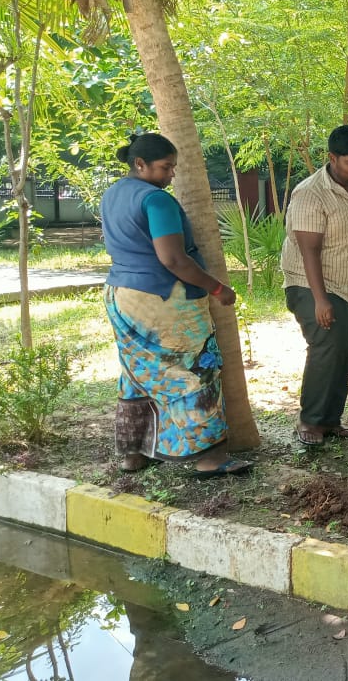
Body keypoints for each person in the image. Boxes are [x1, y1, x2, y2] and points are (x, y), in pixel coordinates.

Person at [100, 133, 252, 477]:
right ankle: (210, 458)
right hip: (162, 299)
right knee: (194, 370)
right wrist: (217, 288)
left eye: (173, 168)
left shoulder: (113, 193)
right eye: (166, 167)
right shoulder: (157, 201)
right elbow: (173, 259)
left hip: (121, 294)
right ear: (140, 164)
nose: (171, 174)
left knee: (138, 372)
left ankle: (135, 453)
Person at [281, 124, 348, 446]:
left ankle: (331, 420)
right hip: (312, 285)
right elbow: (309, 250)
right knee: (328, 348)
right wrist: (320, 300)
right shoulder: (310, 193)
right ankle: (309, 421)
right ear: (332, 158)